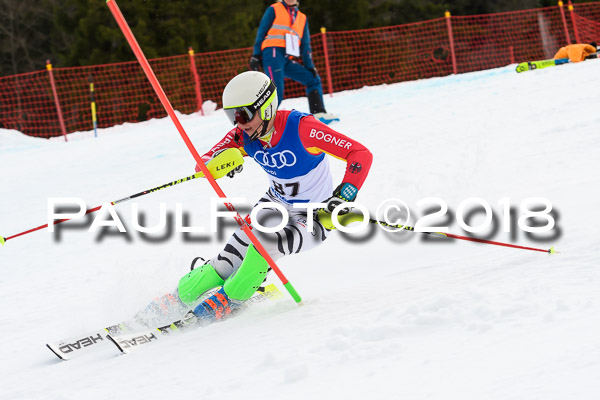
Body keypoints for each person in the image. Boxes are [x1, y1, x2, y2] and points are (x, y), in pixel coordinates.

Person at [136, 71, 372, 326]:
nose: (239, 123)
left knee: (264, 246)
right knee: (229, 258)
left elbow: (360, 154)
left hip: (315, 216)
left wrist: (345, 194)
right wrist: (220, 164)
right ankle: (178, 298)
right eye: (232, 116)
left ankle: (231, 298)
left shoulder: (302, 128)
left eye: (244, 114)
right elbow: (202, 164)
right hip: (273, 206)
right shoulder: (243, 136)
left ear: (267, 107)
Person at [249, 0, 339, 125]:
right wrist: (256, 54)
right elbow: (262, 31)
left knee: (313, 79)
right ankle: (259, 123)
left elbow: (305, 45)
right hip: (273, 53)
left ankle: (319, 114)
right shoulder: (274, 9)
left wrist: (310, 66)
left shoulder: (302, 18)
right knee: (276, 90)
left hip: (286, 59)